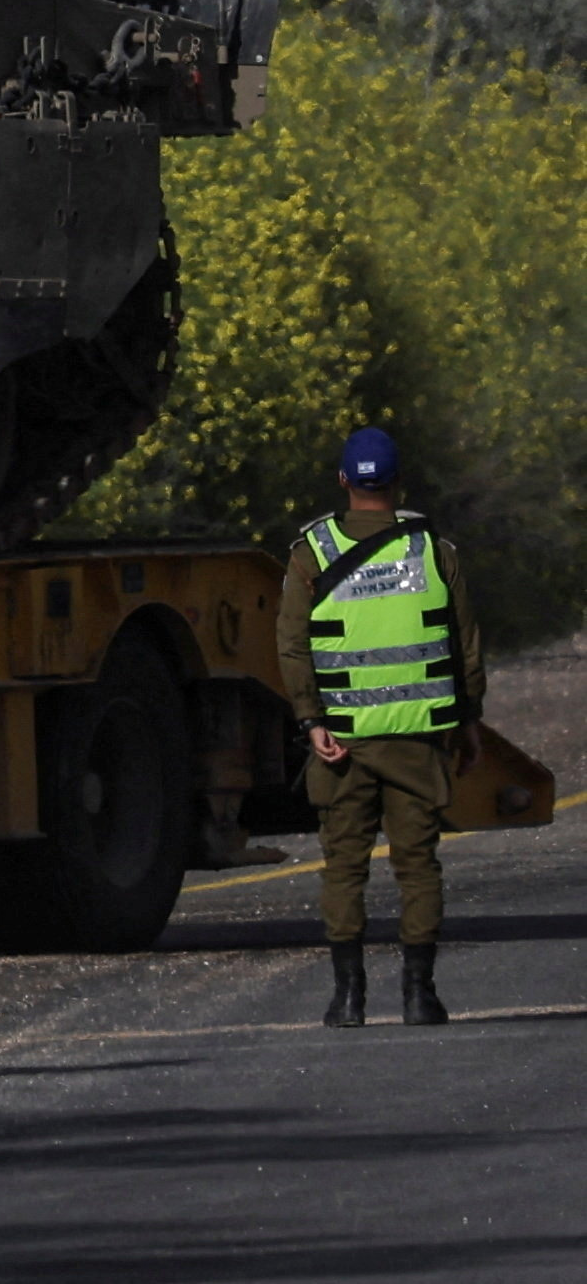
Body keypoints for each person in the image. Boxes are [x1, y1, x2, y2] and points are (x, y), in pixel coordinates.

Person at [277, 426, 484, 1029]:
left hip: (342, 741)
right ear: (398, 483)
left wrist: (310, 719)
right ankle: (420, 996)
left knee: (344, 866)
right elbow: (465, 644)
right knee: (417, 864)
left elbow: (292, 647)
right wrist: (469, 720)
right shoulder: (432, 551)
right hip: (417, 738)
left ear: (344, 482)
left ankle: (348, 1000)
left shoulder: (311, 553)